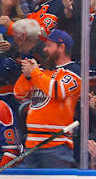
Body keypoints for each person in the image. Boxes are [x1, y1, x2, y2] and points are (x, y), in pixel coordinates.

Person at [14, 29, 80, 168]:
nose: (44, 49)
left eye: (49, 45)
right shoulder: (43, 72)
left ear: (61, 47)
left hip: (56, 144)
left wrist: (34, 73)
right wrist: (27, 75)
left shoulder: (74, 71)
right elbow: (19, 94)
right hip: (32, 142)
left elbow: (58, 91)